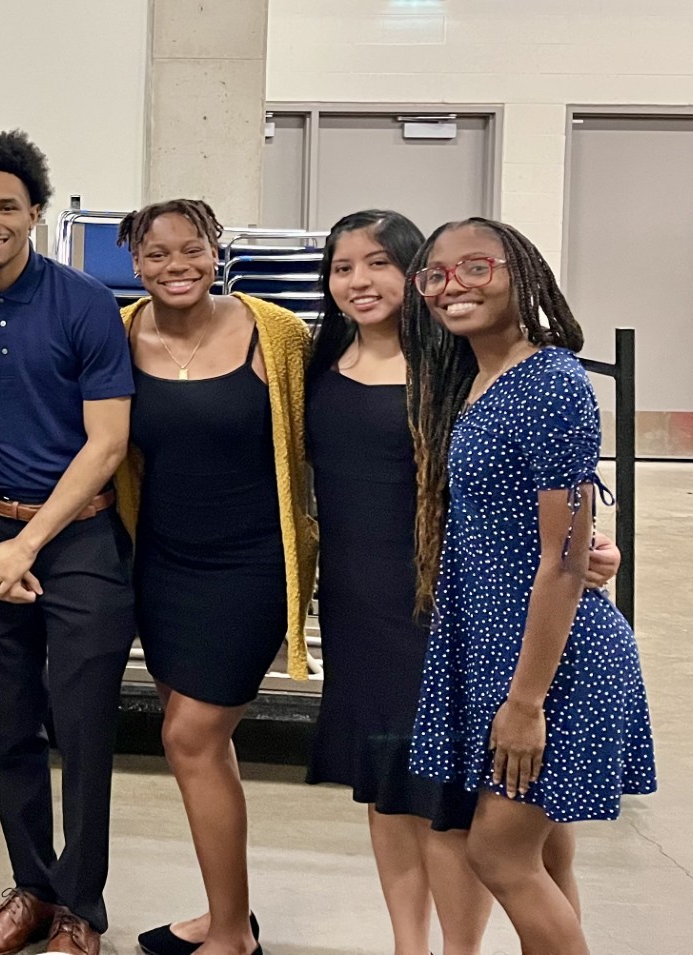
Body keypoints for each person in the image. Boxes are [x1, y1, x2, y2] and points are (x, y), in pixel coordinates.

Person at [302, 209, 622, 955]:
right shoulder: (319, 359)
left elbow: (554, 502)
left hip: (452, 611)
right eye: (342, 265)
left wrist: (586, 551)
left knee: (479, 821)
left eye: (379, 262)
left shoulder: (458, 365)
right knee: (389, 784)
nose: (359, 280)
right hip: (361, 604)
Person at [404, 218, 655, 955]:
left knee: (499, 853)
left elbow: (565, 560)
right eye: (437, 276)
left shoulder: (549, 383)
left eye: (475, 267)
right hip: (499, 648)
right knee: (546, 853)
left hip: (553, 660)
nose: (454, 287)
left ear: (521, 271)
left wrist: (526, 702)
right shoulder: (480, 376)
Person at [0, 130, 137, 955]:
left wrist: (27, 544)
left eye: (7, 206)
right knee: (7, 725)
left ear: (35, 213)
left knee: (80, 731)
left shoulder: (83, 302)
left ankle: (82, 907)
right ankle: (33, 888)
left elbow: (107, 444)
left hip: (80, 540)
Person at [111, 199, 315, 955]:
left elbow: (347, 435)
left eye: (190, 249)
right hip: (163, 563)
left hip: (252, 564)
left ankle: (232, 934)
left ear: (216, 250)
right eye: (156, 254)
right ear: (135, 264)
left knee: (190, 737)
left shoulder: (278, 334)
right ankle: (224, 907)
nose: (176, 266)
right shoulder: (121, 331)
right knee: (202, 746)